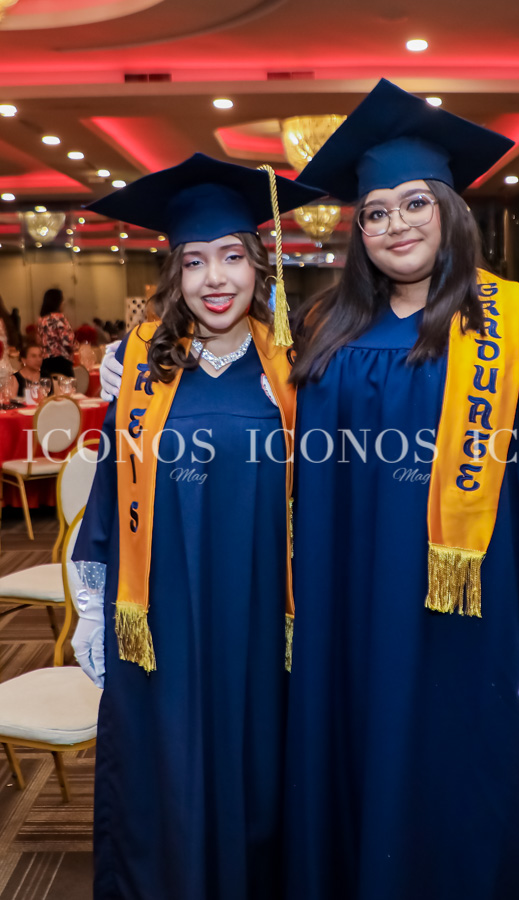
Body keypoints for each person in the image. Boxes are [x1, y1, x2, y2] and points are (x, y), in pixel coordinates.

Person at [283, 80, 519, 900]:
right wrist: (152, 367)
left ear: (449, 211)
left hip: (481, 615)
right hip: (355, 605)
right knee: (361, 759)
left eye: (414, 204)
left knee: (471, 779)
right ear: (358, 231)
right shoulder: (333, 331)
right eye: (375, 212)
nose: (395, 224)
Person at [69, 153, 321, 900]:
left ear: (260, 266)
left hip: (261, 616)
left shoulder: (294, 371)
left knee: (259, 765)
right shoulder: (141, 372)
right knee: (168, 767)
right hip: (164, 614)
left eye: (232, 256)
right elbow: (110, 494)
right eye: (194, 261)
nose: (215, 278)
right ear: (174, 275)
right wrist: (94, 607)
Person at [37, 287, 75, 378]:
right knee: (67, 386)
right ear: (58, 302)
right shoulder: (59, 317)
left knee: (50, 386)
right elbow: (67, 342)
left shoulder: (41, 320)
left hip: (45, 362)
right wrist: (77, 346)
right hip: (61, 362)